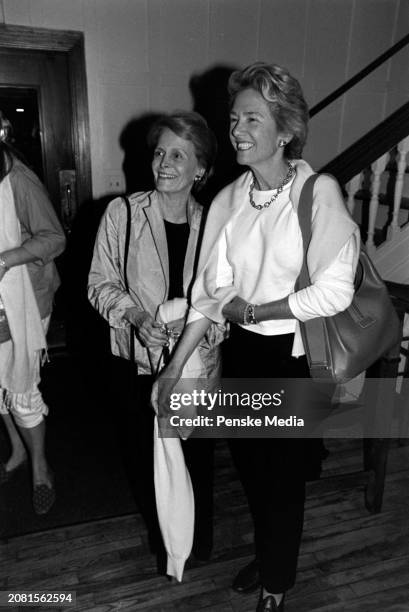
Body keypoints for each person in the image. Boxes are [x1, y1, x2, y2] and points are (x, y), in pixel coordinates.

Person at [153, 63, 360, 611]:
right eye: (234, 117)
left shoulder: (319, 193)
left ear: (286, 129)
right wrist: (174, 367)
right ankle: (271, 553)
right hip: (243, 351)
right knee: (250, 468)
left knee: (283, 477)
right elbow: (209, 295)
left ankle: (278, 584)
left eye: (252, 118)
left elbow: (335, 291)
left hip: (293, 357)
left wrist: (259, 307)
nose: (237, 129)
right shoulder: (230, 200)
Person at [88, 111, 222, 568]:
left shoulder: (215, 224)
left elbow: (226, 298)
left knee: (197, 458)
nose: (164, 162)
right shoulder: (122, 213)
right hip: (136, 364)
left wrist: (207, 334)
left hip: (197, 366)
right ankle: (165, 540)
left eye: (178, 154)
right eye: (160, 152)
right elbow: (99, 283)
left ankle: (197, 542)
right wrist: (134, 316)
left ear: (200, 168)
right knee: (147, 460)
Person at [0, 110, 66, 515]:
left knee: (21, 389)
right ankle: (18, 451)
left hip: (24, 298)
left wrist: (7, 258)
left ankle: (41, 467)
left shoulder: (18, 181)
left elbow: (55, 238)